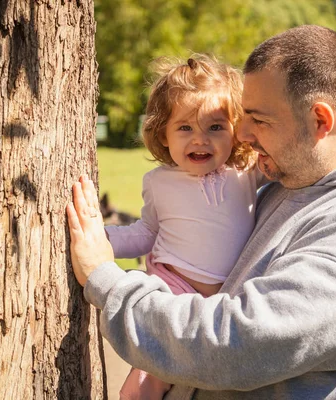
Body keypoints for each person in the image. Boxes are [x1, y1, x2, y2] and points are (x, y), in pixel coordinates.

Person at [67, 25, 336, 399]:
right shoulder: (293, 182)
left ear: (320, 120)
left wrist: (107, 281)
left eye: (259, 119)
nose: (244, 135)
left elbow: (235, 344)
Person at [101, 55, 261, 399]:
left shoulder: (247, 173)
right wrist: (101, 241)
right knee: (145, 382)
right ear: (163, 134)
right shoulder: (159, 182)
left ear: (236, 131)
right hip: (175, 290)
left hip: (225, 301)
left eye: (215, 127)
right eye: (185, 128)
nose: (200, 140)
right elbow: (145, 233)